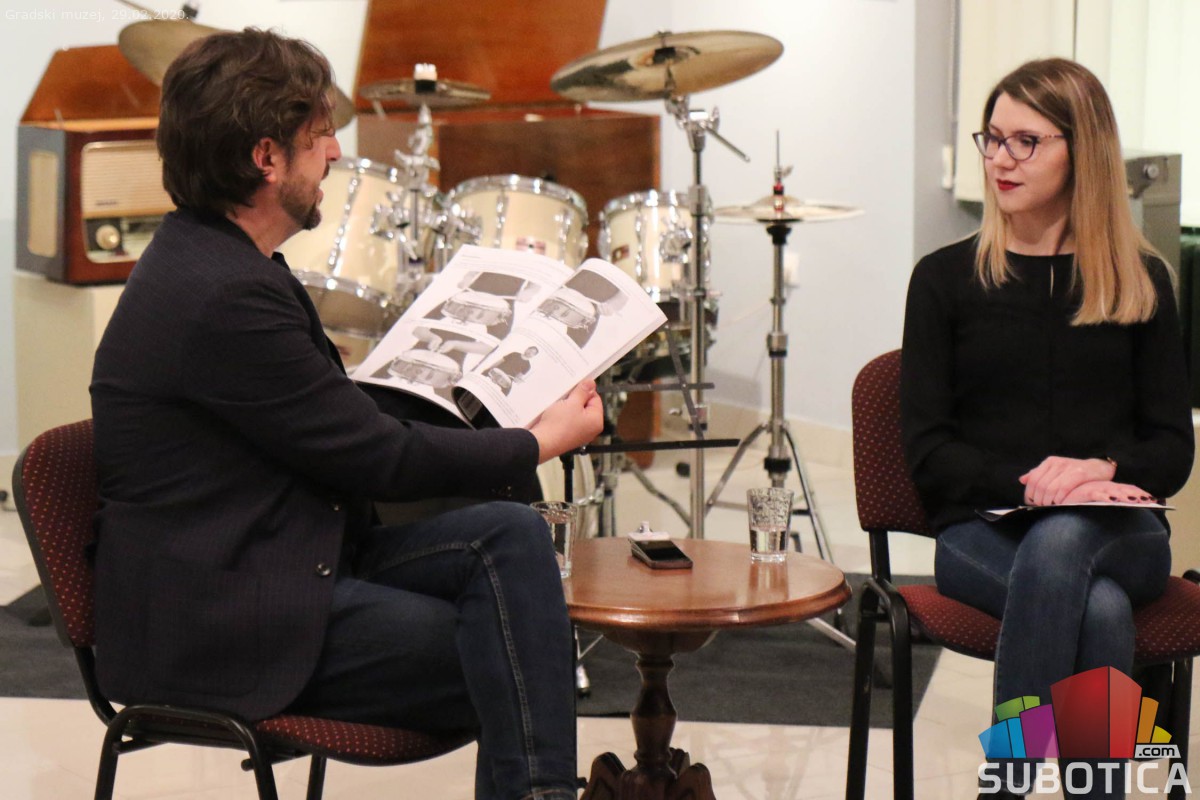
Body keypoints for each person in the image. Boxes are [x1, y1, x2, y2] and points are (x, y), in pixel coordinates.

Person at [89, 28, 602, 800]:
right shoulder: (223, 292)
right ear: (266, 158)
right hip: (217, 619)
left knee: (511, 538)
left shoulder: (220, 259)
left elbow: (332, 418)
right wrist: (536, 441)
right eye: (320, 135)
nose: (334, 152)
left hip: (282, 554)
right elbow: (376, 457)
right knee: (514, 646)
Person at [899, 58, 1193, 799]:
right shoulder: (944, 279)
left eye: (1025, 142)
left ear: (1081, 152)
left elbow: (1172, 448)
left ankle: (1009, 782)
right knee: (1098, 605)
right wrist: (1037, 486)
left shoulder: (1142, 282)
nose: (1000, 159)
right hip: (979, 534)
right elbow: (929, 453)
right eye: (992, 138)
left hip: (1122, 535)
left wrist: (1099, 470)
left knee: (1066, 541)